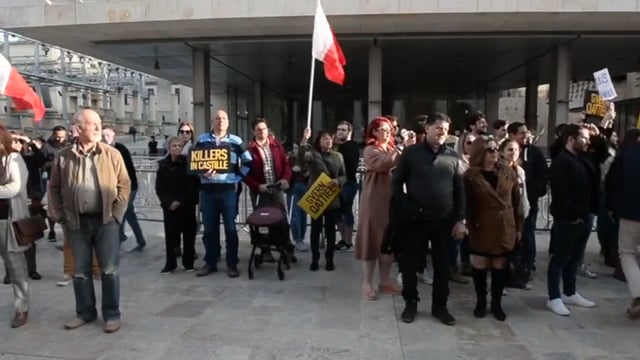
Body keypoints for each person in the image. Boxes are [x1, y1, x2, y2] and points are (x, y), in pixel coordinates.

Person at [48, 109, 131, 333]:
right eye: (91, 124)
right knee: (80, 271)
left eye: (98, 124)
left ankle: (112, 314)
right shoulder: (64, 156)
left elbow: (124, 184)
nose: (96, 128)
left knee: (109, 270)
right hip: (75, 222)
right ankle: (85, 312)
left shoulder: (111, 154)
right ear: (77, 128)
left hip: (106, 221)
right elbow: (54, 187)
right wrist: (58, 215)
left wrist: (116, 215)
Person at [393, 113, 466, 326]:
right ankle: (411, 303)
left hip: (444, 221)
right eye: (438, 128)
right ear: (428, 129)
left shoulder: (453, 156)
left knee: (442, 266)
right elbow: (396, 185)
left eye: (445, 129)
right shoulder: (411, 153)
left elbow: (460, 191)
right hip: (415, 219)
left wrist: (461, 219)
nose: (442, 132)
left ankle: (440, 307)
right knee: (410, 264)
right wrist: (408, 207)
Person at [464, 136, 523, 321]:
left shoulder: (508, 172)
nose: (495, 152)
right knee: (480, 264)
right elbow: (466, 204)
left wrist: (519, 227)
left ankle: (496, 303)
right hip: (481, 225)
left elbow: (517, 202)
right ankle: (481, 301)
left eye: (496, 148)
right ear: (481, 152)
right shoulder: (470, 176)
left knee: (500, 264)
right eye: (491, 149)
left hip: (504, 225)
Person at [546, 124, 598, 316]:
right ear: (571, 139)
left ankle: (569, 291)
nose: (587, 141)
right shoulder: (562, 161)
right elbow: (561, 193)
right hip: (568, 219)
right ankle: (554, 297)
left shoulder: (582, 159)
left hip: (584, 217)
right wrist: (572, 216)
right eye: (583, 138)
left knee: (575, 257)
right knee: (560, 258)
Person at [195, 110, 252, 278]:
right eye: (218, 118)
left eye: (224, 118)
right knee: (209, 230)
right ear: (213, 121)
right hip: (207, 192)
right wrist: (201, 172)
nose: (220, 121)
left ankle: (232, 263)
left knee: (230, 229)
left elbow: (248, 161)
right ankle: (210, 262)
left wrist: (238, 177)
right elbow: (194, 162)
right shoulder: (202, 139)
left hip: (228, 191)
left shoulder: (236, 141)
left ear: (228, 122)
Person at [356, 117, 401, 300]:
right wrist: (399, 150)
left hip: (390, 201)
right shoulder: (370, 149)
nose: (388, 132)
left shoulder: (390, 148)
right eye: (383, 129)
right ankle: (367, 283)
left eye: (389, 129)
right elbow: (384, 164)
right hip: (374, 201)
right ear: (374, 131)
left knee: (387, 241)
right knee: (371, 239)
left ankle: (385, 281)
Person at [243, 117, 292, 262]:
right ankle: (265, 250)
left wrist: (285, 179)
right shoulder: (249, 149)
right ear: (253, 131)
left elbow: (286, 165)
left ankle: (286, 247)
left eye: (264, 129)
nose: (262, 132)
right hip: (260, 190)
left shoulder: (276, 145)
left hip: (277, 189)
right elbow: (244, 173)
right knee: (262, 222)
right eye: (258, 130)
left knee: (281, 219)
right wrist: (257, 186)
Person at [606, 128, 640, 318]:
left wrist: (612, 207)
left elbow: (613, 183)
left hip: (630, 212)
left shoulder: (626, 154)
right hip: (629, 211)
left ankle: (638, 294)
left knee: (627, 253)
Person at [0, 124, 31, 328]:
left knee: (15, 268)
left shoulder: (13, 159)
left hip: (8, 221)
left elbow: (15, 188)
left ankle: (22, 309)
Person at [302, 130, 346, 271]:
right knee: (315, 230)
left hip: (332, 197)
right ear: (319, 141)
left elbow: (344, 175)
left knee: (330, 231)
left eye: (330, 138)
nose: (328, 141)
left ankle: (329, 259)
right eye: (325, 138)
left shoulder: (338, 157)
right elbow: (302, 157)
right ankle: (315, 259)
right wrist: (304, 140)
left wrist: (338, 181)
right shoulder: (313, 155)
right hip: (317, 196)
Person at [155, 136, 200, 273]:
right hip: (170, 207)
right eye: (174, 146)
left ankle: (188, 263)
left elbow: (194, 186)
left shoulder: (188, 164)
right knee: (171, 237)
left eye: (179, 146)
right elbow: (160, 188)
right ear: (169, 148)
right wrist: (169, 202)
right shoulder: (162, 165)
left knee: (189, 235)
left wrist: (182, 201)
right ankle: (170, 263)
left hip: (187, 205)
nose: (177, 148)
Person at [102, 125, 146, 252]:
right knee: (128, 212)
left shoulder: (120, 149)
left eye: (108, 135)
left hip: (129, 186)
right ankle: (136, 239)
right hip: (115, 187)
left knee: (123, 211)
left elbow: (125, 171)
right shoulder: (104, 150)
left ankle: (120, 238)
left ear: (113, 135)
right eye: (103, 136)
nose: (105, 138)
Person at [334, 121, 360, 252]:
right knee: (338, 212)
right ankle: (344, 240)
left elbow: (349, 166)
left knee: (346, 211)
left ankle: (348, 241)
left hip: (348, 183)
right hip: (337, 183)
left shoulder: (351, 146)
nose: (340, 132)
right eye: (338, 129)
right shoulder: (338, 147)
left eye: (343, 130)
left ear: (349, 132)